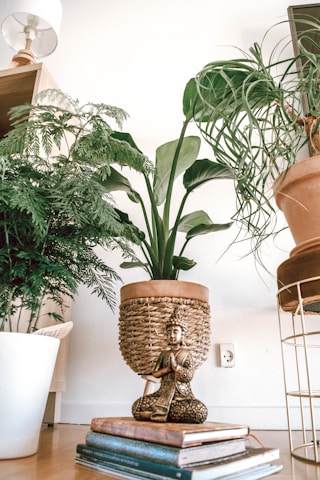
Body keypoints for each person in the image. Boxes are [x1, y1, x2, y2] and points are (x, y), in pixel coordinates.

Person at [132, 307, 208, 423]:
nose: (172, 335)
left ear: (183, 334)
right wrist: (168, 369)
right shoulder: (164, 354)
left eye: (175, 331)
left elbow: (189, 375)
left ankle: (155, 414)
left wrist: (176, 368)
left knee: (199, 411)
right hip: (162, 395)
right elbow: (156, 374)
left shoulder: (186, 354)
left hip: (181, 397)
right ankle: (166, 414)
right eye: (169, 332)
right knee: (137, 406)